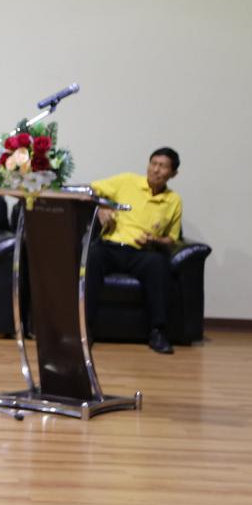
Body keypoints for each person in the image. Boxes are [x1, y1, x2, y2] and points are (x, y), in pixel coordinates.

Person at [87, 148, 184, 355]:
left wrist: (154, 239)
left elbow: (172, 239)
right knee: (92, 256)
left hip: (143, 252)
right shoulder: (127, 181)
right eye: (153, 164)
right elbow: (90, 189)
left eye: (162, 166)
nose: (156, 170)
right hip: (112, 246)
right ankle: (84, 328)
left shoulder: (174, 200)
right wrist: (103, 206)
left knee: (159, 264)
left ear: (173, 173)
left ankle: (158, 332)